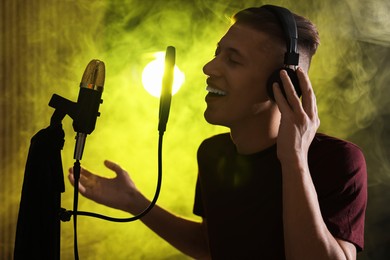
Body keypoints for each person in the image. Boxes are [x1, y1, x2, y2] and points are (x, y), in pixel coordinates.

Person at [69, 5, 367, 259]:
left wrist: (294, 161)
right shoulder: (213, 154)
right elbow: (211, 246)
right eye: (217, 54)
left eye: (233, 60)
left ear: (282, 82)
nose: (209, 68)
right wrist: (135, 201)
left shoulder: (339, 161)